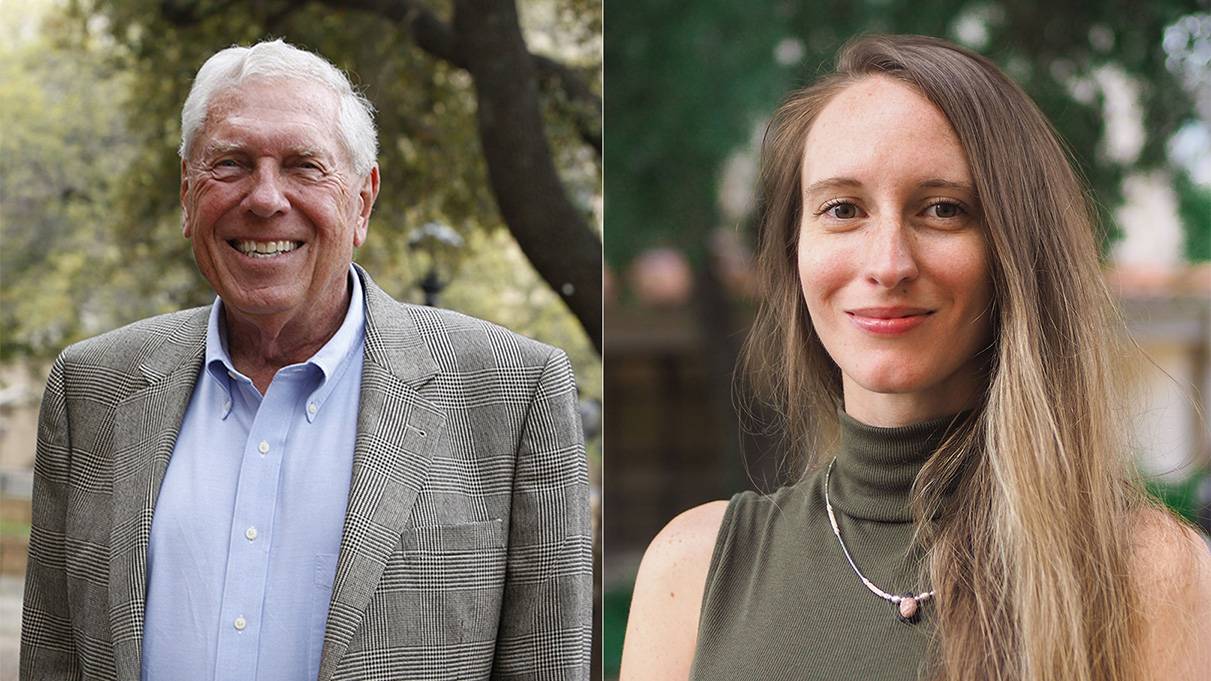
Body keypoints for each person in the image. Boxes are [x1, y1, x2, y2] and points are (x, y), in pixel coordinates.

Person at [620, 34, 1211, 681]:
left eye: (941, 209)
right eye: (842, 208)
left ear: (1015, 251)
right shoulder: (690, 571)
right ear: (795, 250)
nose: (887, 264)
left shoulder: (1147, 574)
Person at [21, 40, 592, 681]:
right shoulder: (92, 388)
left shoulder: (513, 393)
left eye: (304, 166)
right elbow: (53, 657)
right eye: (231, 164)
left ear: (363, 201)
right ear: (187, 194)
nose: (265, 199)